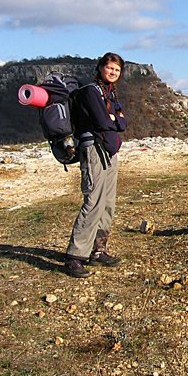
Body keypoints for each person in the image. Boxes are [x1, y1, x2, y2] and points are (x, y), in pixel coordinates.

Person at [64, 52, 128, 278]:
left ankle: (98, 250)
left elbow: (122, 123)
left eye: (117, 70)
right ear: (101, 67)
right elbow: (103, 121)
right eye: (110, 68)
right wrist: (113, 118)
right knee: (93, 200)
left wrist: (114, 118)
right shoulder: (91, 91)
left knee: (108, 202)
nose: (113, 72)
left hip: (109, 150)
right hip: (93, 149)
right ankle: (75, 256)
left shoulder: (108, 92)